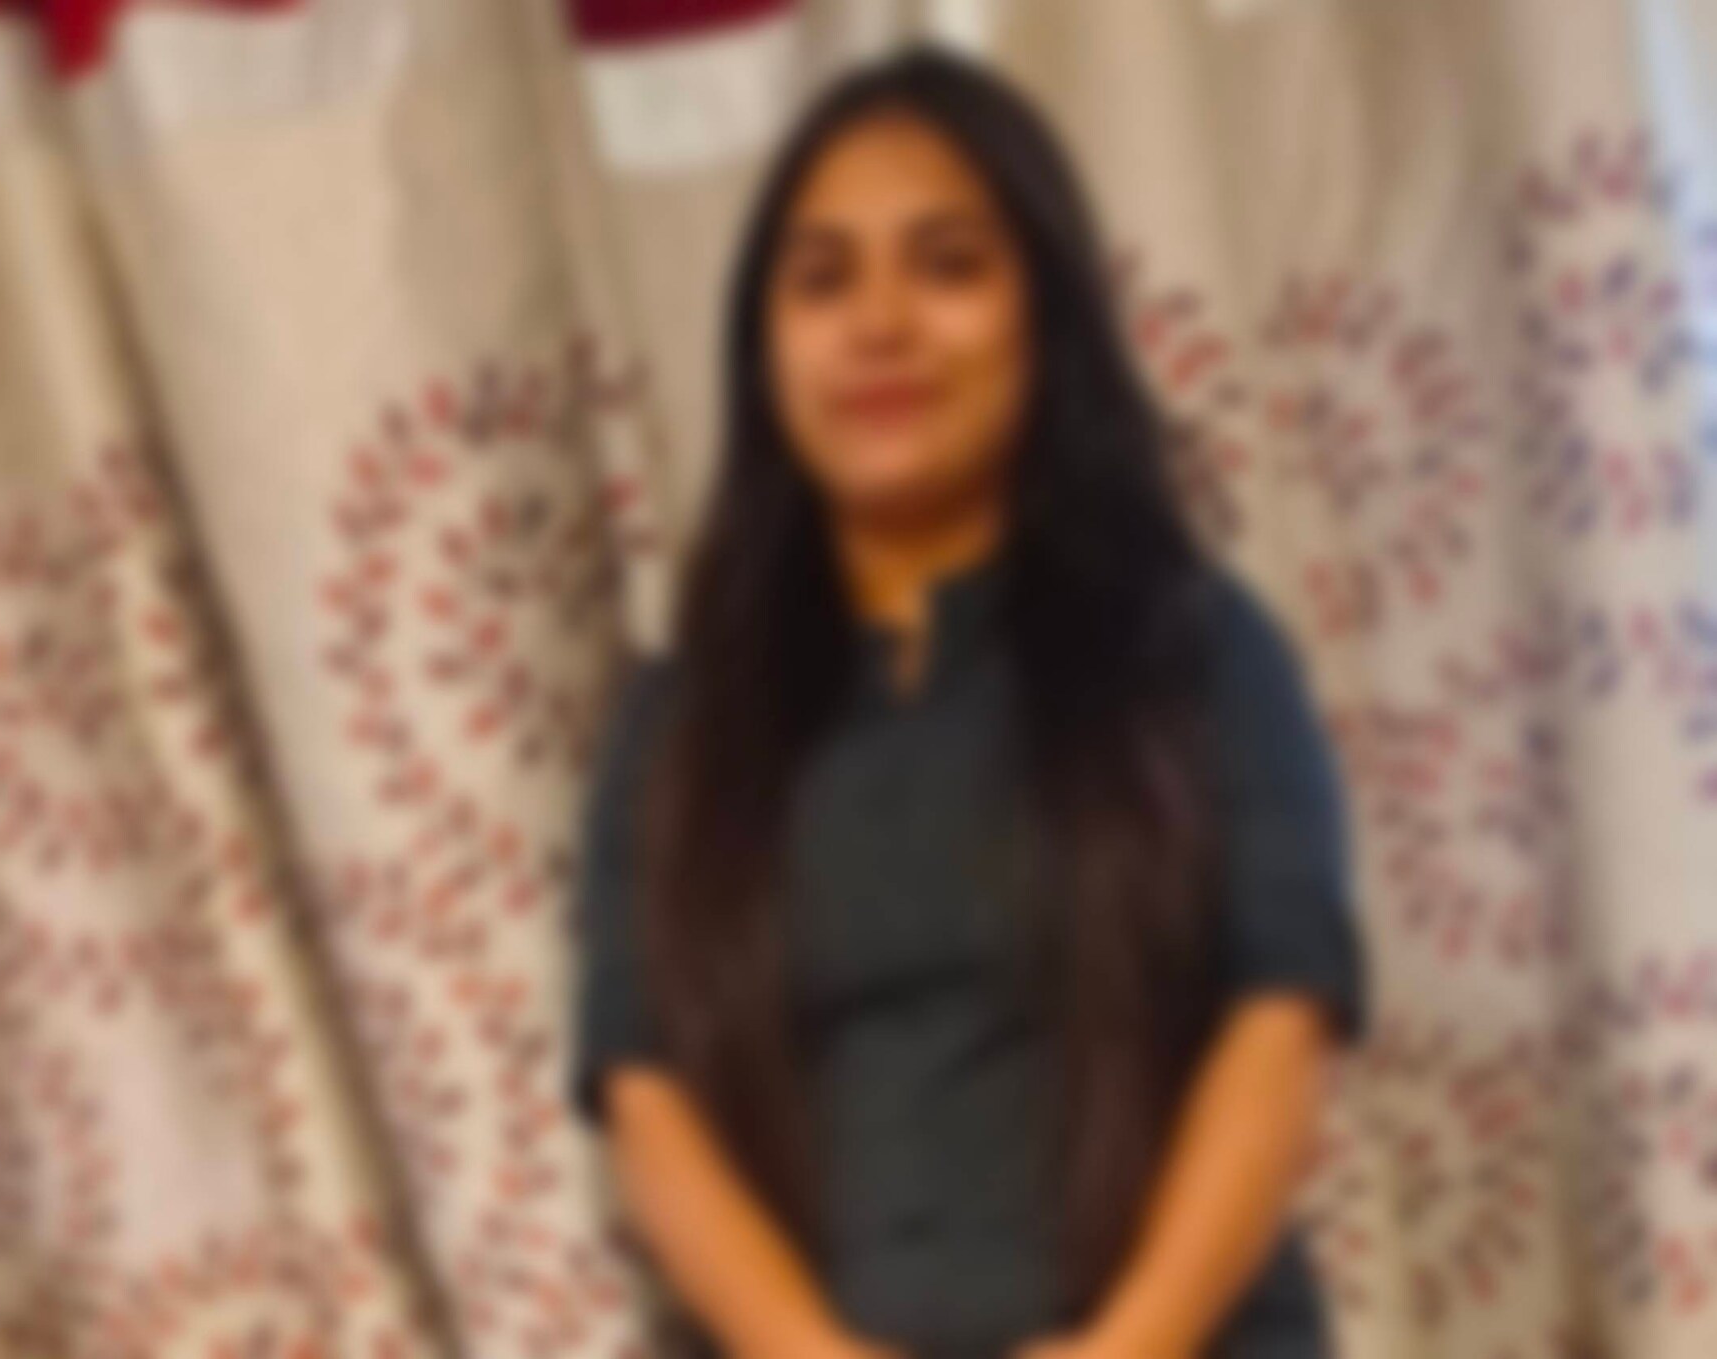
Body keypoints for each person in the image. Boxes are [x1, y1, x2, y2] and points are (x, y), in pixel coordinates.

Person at [565, 42, 1368, 1359]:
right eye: (823, 279)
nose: (879, 323)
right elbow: (649, 1107)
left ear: (1047, 317)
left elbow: (1281, 1025)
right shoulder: (676, 729)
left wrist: (1128, 1347)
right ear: (764, 350)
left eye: (947, 265)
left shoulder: (1198, 652)